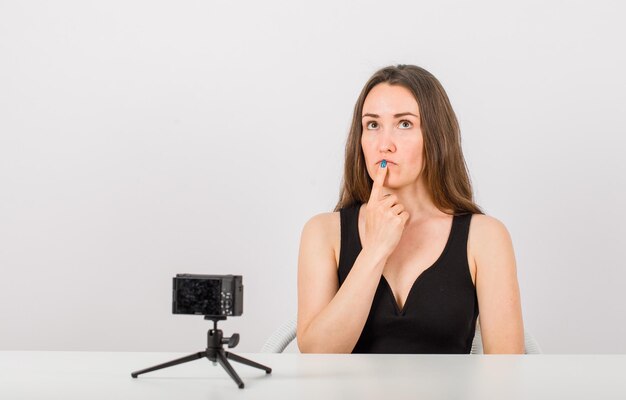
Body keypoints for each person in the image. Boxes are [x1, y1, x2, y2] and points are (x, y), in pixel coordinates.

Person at [296, 65, 524, 354]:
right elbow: (317, 354)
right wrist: (376, 250)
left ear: (436, 137)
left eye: (404, 124)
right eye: (373, 125)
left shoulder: (486, 237)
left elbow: (507, 371)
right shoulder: (323, 233)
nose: (384, 145)